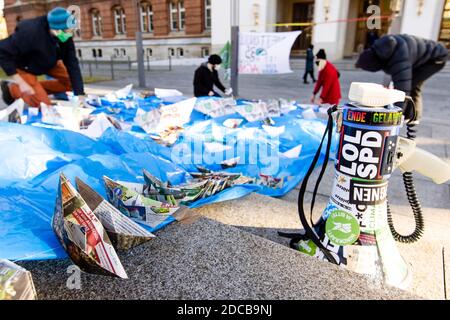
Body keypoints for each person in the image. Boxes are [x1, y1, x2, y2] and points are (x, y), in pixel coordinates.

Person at [0, 7, 85, 108]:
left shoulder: (65, 35)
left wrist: (80, 94)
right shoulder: (29, 33)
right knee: (44, 107)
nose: (70, 35)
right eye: (67, 31)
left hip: (48, 61)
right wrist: (21, 82)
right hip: (25, 66)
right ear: (55, 29)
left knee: (72, 84)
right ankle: (12, 89)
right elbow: (2, 51)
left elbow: (72, 63)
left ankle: (38, 89)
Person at [356, 34, 448, 121]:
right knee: (412, 84)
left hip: (436, 58)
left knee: (411, 85)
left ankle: (412, 117)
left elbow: (402, 88)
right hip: (423, 53)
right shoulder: (382, 48)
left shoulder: (399, 60)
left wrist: (394, 116)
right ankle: (410, 116)